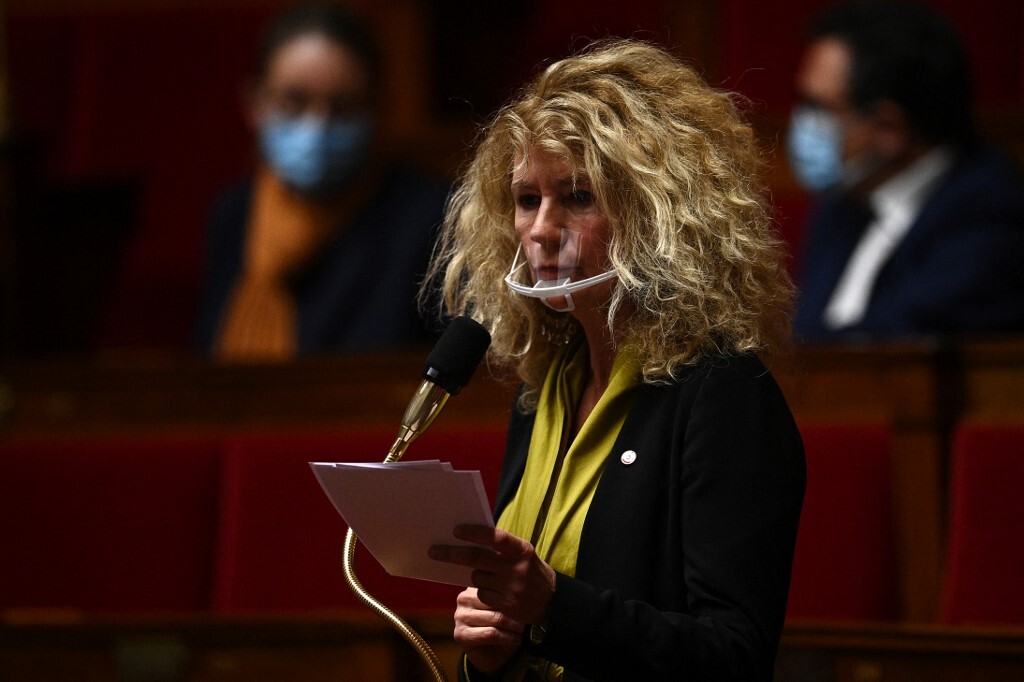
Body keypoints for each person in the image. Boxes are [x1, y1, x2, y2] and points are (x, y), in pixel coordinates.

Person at [424, 39, 806, 681]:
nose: (542, 229)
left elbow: (736, 655)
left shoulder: (723, 394)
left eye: (577, 197)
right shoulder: (547, 385)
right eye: (526, 200)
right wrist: (490, 656)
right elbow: (528, 627)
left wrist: (552, 608)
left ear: (660, 216)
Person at [194, 2, 449, 360]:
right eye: (294, 102)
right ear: (255, 104)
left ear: (375, 109)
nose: (317, 126)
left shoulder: (429, 218)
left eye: (342, 107)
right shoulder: (234, 214)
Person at [787, 0, 1024, 342]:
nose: (803, 123)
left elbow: (891, 350)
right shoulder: (842, 203)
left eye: (819, 107)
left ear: (889, 128)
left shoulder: (993, 216)